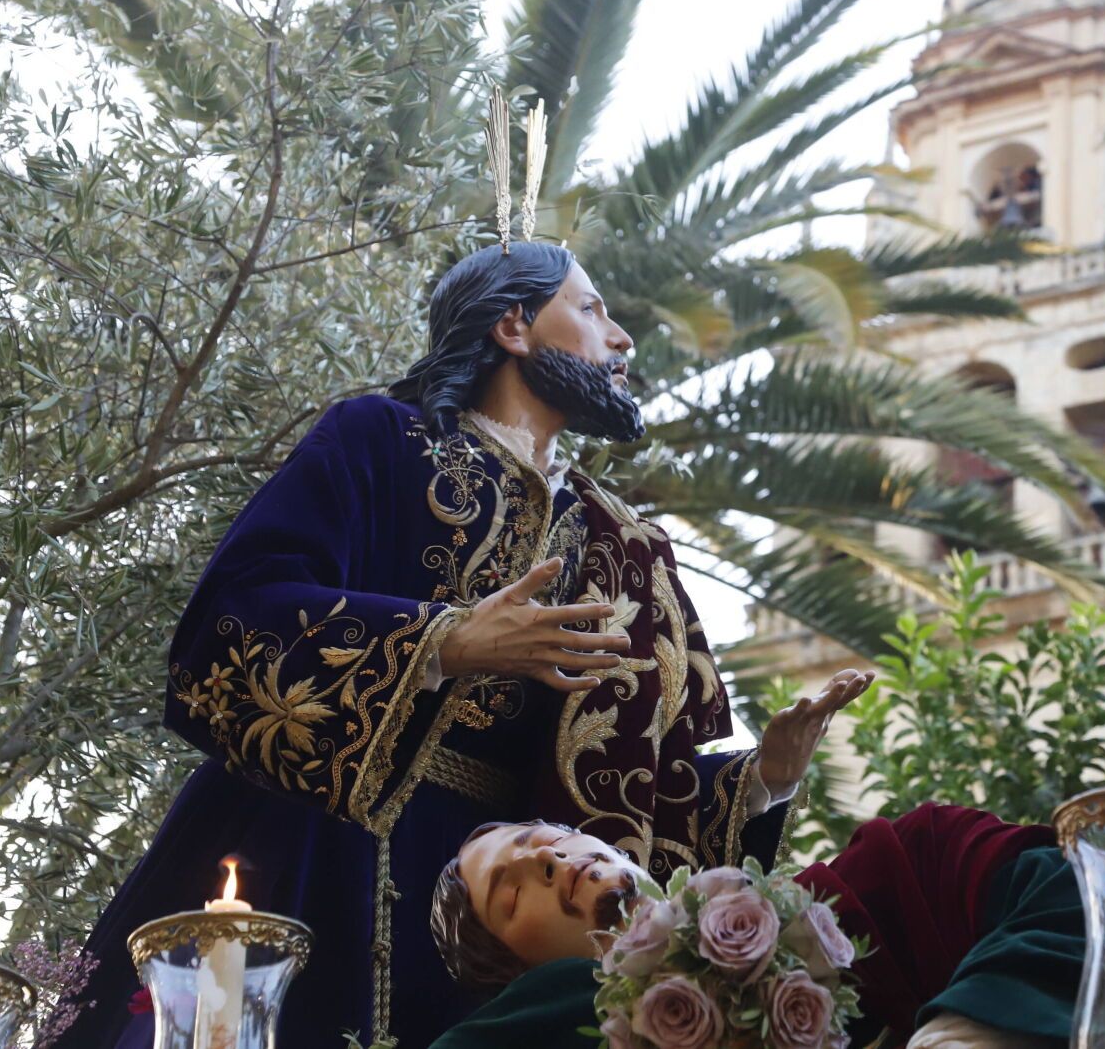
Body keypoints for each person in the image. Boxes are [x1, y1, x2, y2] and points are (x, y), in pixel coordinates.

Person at [54, 239, 872, 1048]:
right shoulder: (380, 440)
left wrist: (762, 781)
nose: (621, 338)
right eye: (591, 309)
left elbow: (633, 791)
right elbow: (231, 617)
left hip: (507, 911)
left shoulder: (622, 542)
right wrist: (441, 641)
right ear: (513, 327)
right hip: (312, 844)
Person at [426, 806, 1105, 1049]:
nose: (548, 863)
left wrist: (971, 1022)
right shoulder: (555, 1014)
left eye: (546, 839)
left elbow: (1057, 885)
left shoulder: (847, 895)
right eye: (515, 894)